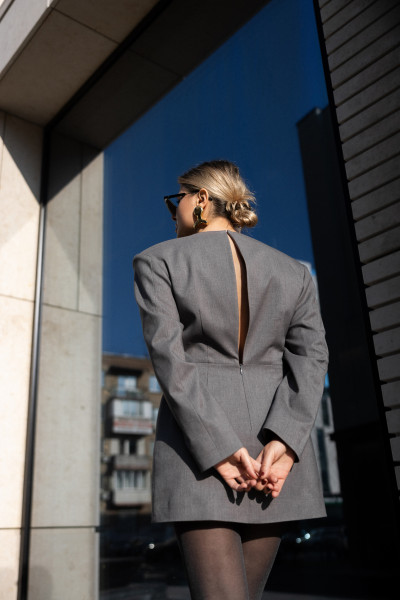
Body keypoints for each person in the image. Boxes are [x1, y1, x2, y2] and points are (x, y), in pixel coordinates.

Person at [133, 160, 329, 600]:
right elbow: (312, 357)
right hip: (273, 458)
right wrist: (286, 440)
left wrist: (217, 446)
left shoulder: (157, 260)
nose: (173, 211)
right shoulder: (294, 271)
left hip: (197, 449)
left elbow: (171, 361)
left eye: (176, 200)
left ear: (201, 199)